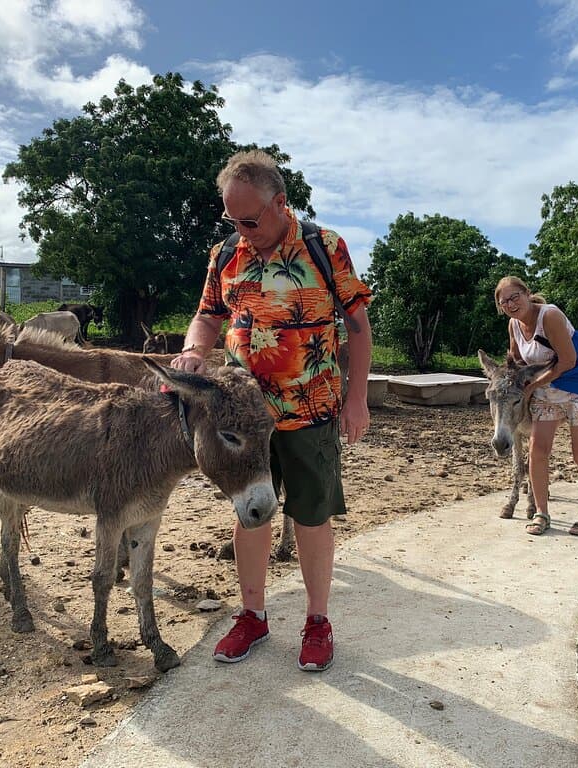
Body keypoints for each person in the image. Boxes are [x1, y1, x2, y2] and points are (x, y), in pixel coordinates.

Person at [172, 149, 372, 671]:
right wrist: (194, 348)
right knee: (251, 512)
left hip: (311, 411)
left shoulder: (324, 248)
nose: (240, 229)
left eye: (249, 219)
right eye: (230, 218)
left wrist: (356, 398)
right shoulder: (226, 256)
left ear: (281, 202)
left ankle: (317, 623)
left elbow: (358, 328)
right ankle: (253, 616)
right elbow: (207, 316)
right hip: (243, 419)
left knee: (311, 517)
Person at [495, 276, 578, 537]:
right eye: (505, 302)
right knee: (537, 450)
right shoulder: (514, 325)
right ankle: (541, 513)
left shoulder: (550, 316)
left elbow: (568, 361)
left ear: (526, 293)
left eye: (515, 297)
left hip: (577, 389)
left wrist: (533, 387)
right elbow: (516, 362)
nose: (511, 304)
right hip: (547, 392)